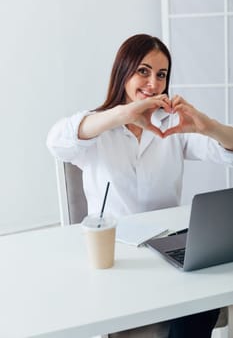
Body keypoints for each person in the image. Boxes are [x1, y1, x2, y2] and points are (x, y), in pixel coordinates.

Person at [47, 34, 233, 338]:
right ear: (124, 72)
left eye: (161, 75)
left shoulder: (171, 124)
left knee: (204, 300)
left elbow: (227, 153)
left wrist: (207, 125)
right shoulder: (98, 126)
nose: (153, 83)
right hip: (117, 258)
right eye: (143, 71)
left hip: (169, 253)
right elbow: (55, 142)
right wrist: (121, 114)